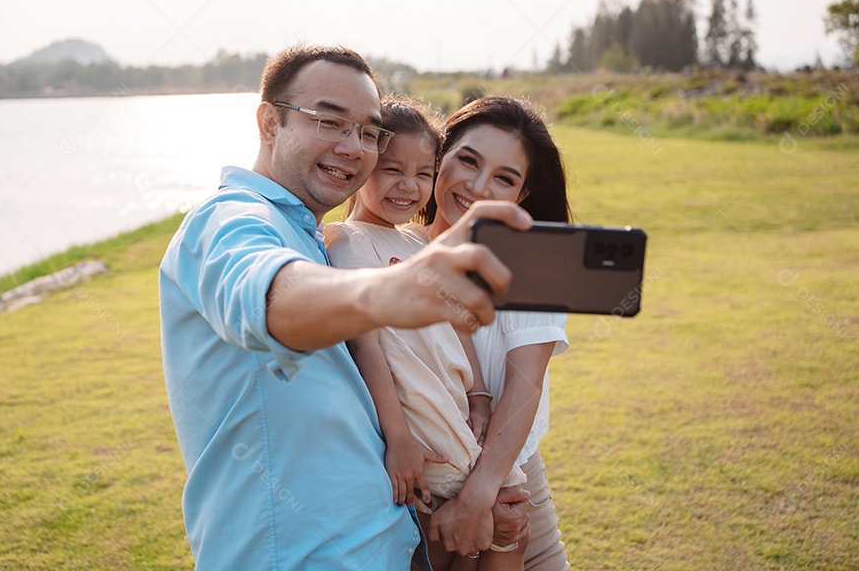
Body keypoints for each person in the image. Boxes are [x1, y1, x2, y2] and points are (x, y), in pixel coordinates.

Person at [159, 45, 532, 571]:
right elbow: (270, 294)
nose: (354, 147)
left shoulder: (316, 236)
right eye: (330, 122)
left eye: (368, 131)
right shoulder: (229, 221)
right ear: (270, 121)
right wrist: (389, 292)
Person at [325, 96, 529, 571]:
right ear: (366, 164)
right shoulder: (350, 242)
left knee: (508, 527)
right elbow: (366, 344)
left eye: (423, 173)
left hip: (454, 409)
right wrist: (398, 438)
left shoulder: (419, 241)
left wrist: (479, 394)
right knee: (448, 542)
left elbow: (459, 324)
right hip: (419, 422)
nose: (408, 186)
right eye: (392, 170)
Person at [419, 96, 574, 571]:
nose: (478, 187)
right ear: (439, 157)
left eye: (504, 178)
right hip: (415, 488)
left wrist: (479, 495)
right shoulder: (393, 244)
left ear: (522, 195)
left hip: (506, 482)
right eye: (467, 160)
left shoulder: (532, 265)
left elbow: (525, 384)